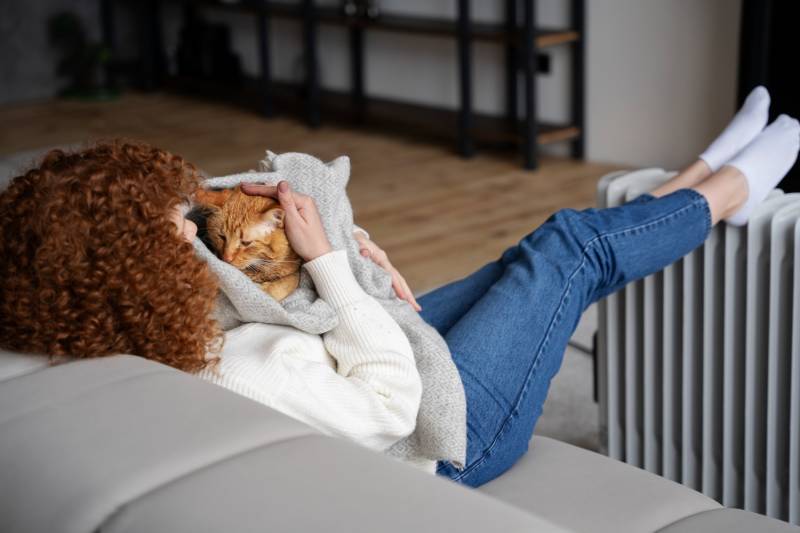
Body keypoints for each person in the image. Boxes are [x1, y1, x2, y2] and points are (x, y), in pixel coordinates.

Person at [0, 86, 798, 487]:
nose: (193, 219)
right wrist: (337, 271)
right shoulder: (237, 377)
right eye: (174, 225)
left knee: (526, 257)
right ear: (133, 270)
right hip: (441, 434)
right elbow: (388, 402)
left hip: (366, 363)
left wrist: (344, 246)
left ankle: (691, 180)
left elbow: (253, 272)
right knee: (565, 252)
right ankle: (725, 193)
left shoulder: (143, 320)